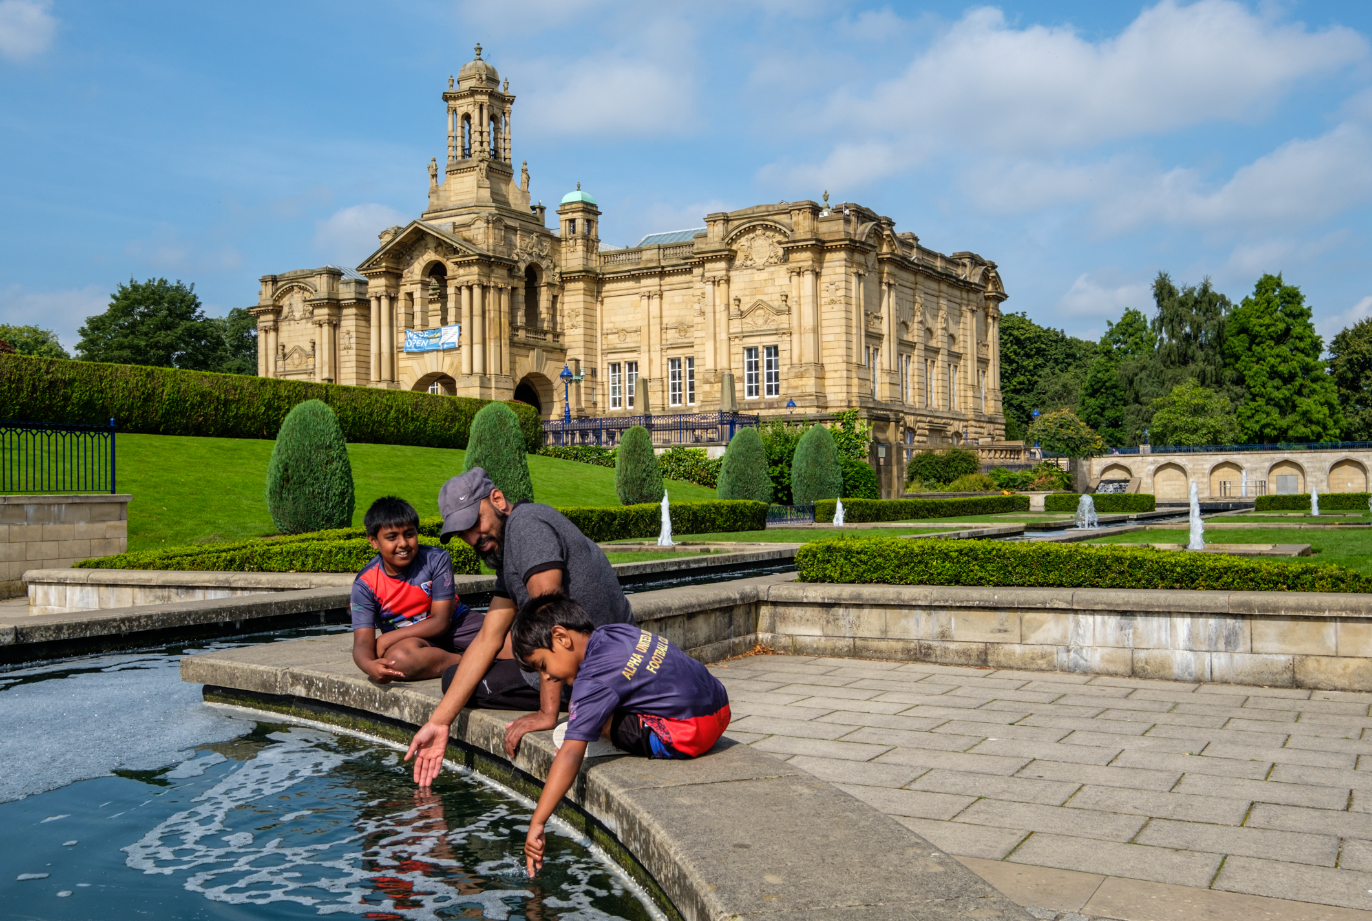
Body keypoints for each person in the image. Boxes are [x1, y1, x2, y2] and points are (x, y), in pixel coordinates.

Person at [404, 468, 636, 783]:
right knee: (466, 672)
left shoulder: (526, 526)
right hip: (603, 662)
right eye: (463, 533)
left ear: (497, 499)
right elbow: (488, 637)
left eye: (475, 523)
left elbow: (551, 619)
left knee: (457, 679)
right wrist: (439, 722)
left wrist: (547, 714)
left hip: (599, 672)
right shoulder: (511, 551)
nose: (473, 538)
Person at [510, 593, 730, 876]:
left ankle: (601, 733)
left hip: (690, 734)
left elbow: (571, 752)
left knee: (578, 727)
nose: (548, 677)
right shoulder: (613, 632)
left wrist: (538, 822)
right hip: (720, 707)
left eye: (542, 665)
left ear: (562, 637)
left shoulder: (591, 681)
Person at [351, 496, 492, 682]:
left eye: (409, 534)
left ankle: (475, 659)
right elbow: (362, 643)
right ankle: (466, 661)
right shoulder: (366, 584)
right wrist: (369, 665)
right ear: (374, 541)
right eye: (392, 537)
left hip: (457, 624)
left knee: (516, 644)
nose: (403, 543)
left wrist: (386, 639)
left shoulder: (436, 559)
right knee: (399, 661)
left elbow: (441, 621)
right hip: (411, 641)